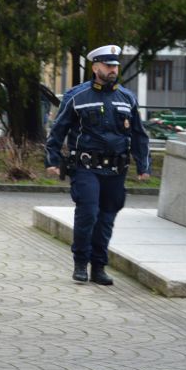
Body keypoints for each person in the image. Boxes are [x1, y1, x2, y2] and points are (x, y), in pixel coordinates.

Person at [45, 44, 151, 286]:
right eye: (108, 65)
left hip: (115, 170)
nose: (113, 69)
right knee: (88, 214)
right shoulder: (77, 96)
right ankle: (81, 263)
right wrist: (52, 160)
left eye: (115, 65)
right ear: (95, 68)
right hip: (86, 168)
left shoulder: (127, 98)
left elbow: (139, 134)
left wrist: (143, 166)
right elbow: (58, 130)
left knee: (106, 220)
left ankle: (99, 267)